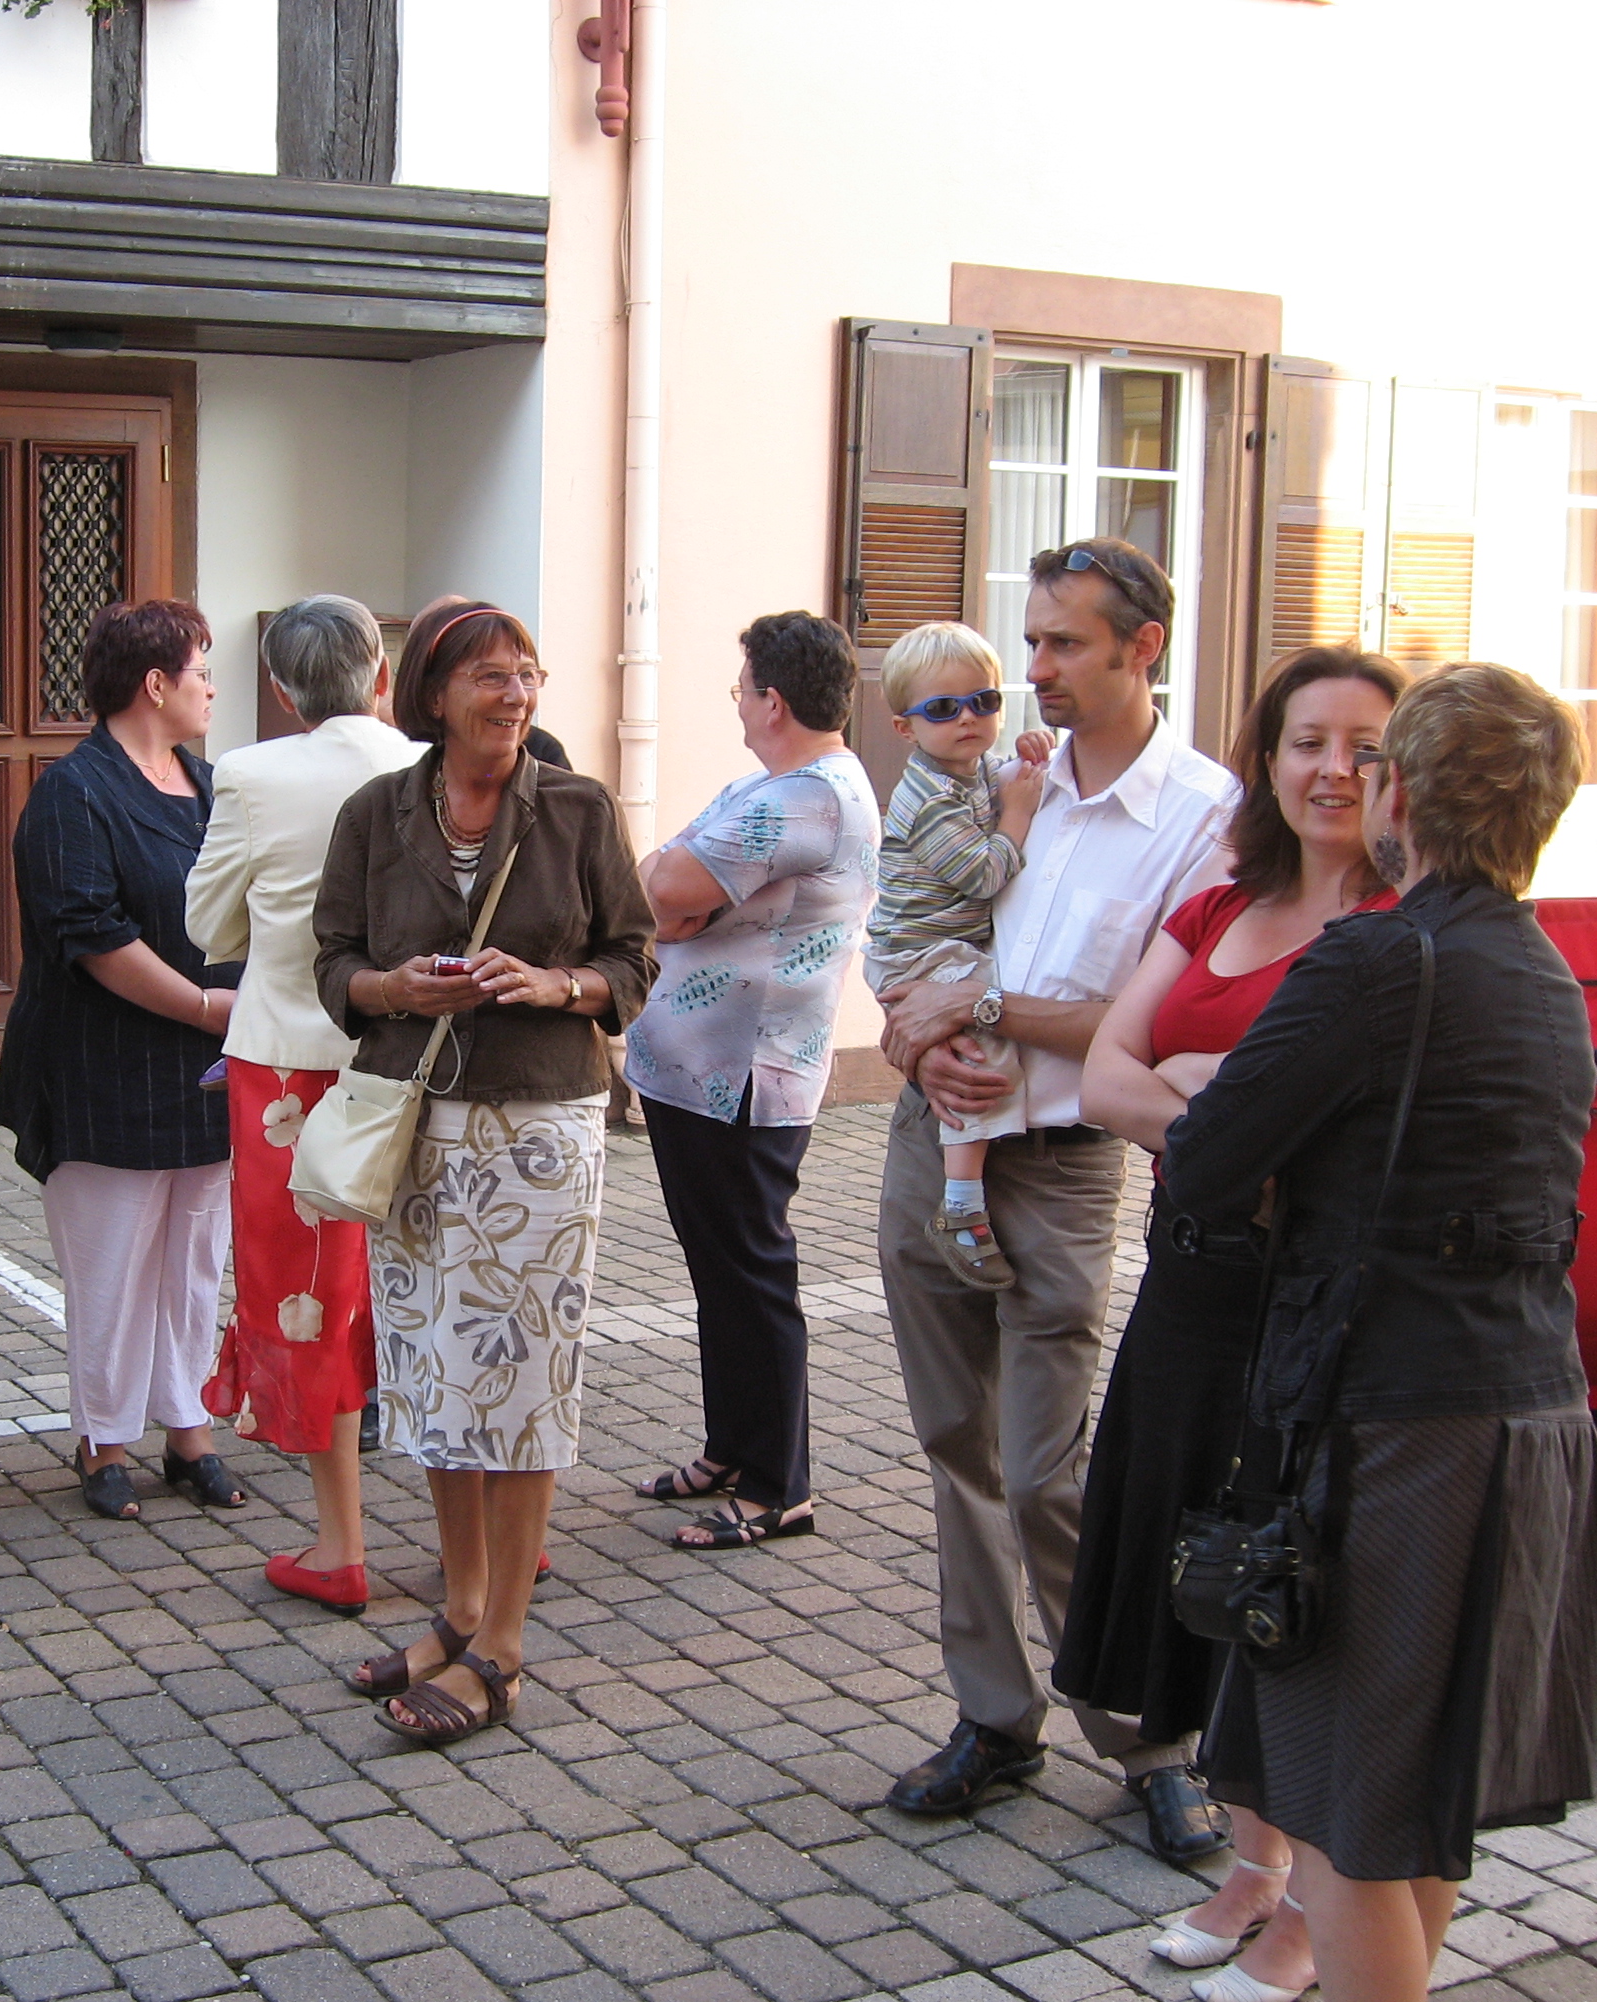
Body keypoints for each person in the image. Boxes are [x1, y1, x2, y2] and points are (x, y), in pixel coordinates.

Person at [1166, 663, 1597, 2002]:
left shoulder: (1378, 959)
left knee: (1350, 1802)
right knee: (1418, 1796)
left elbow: (1209, 1157)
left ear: (1398, 789)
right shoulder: (1542, 968)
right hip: (1532, 1410)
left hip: (1394, 1420)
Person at [871, 537, 1238, 1867]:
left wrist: (979, 1008)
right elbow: (904, 944)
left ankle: (1145, 1737)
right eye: (1028, 639)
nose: (1032, 668)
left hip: (1063, 1163)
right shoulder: (992, 775)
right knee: (955, 1448)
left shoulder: (1202, 814)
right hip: (933, 1138)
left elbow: (1155, 1021)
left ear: (1143, 649)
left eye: (1063, 643)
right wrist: (922, 1043)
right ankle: (994, 1717)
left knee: (1044, 1471)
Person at [1064, 646, 1403, 2002]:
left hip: (1304, 1304)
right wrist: (1219, 1112)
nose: (1334, 770)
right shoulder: (1216, 903)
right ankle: (1256, 1870)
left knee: (1290, 1600)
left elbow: (1350, 1135)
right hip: (1188, 1288)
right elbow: (1103, 1076)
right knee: (1209, 1586)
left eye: (1365, 747)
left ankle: (1314, 1913)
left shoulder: (1399, 933)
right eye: (1307, 741)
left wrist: (1198, 1089)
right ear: (1267, 760)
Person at [315, 599, 654, 1744]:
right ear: (431, 693)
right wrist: (392, 990)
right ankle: (458, 1610)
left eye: (524, 674)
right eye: (487, 677)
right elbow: (330, 960)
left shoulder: (576, 808)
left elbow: (632, 959)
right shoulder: (374, 812)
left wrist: (560, 986)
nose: (513, 695)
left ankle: (502, 1647)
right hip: (414, 1124)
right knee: (433, 1377)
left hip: (537, 1129)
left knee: (521, 1382)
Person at [184, 595, 421, 1613]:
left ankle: (340, 1544)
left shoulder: (249, 773)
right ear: (381, 672)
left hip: (289, 1062)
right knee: (430, 1279)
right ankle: (486, 1536)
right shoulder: (431, 763)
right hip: (418, 1052)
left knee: (312, 1293)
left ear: (282, 691)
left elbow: (207, 924)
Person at [625, 611, 880, 1550]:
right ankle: (731, 1449)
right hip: (700, 1073)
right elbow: (655, 886)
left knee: (749, 1273)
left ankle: (779, 1486)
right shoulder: (768, 788)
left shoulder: (805, 799)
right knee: (719, 1271)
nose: (734, 701)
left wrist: (683, 903)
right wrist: (682, 900)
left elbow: (659, 893)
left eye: (740, 687)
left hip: (740, 1078)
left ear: (772, 701)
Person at [0, 600, 245, 1524]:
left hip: (206, 1073)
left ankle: (188, 1431)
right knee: (112, 1268)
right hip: (105, 1069)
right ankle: (102, 1439)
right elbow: (91, 935)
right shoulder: (75, 791)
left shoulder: (210, 785)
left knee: (195, 1262)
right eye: (201, 669)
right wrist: (207, 1006)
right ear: (154, 684)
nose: (211, 685)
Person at [862, 622, 1050, 1287]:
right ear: (905, 727)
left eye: (985, 701)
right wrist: (1019, 813)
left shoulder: (970, 773)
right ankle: (962, 1204)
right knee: (980, 1050)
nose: (968, 718)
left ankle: (966, 1194)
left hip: (940, 946)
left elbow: (1008, 780)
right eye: (943, 708)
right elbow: (983, 874)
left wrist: (1030, 754)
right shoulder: (927, 799)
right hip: (919, 953)